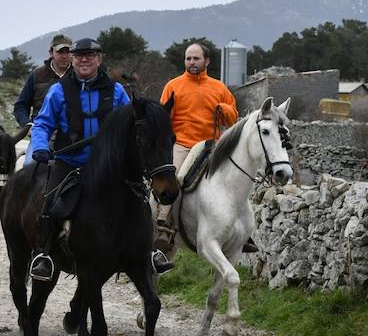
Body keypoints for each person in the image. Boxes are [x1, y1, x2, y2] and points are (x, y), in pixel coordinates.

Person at [27, 37, 168, 281]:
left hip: (107, 168)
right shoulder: (58, 90)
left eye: (90, 55)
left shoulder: (116, 91)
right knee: (50, 202)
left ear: (99, 59)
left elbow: (132, 122)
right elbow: (43, 123)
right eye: (79, 55)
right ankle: (44, 254)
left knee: (140, 200)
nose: (84, 59)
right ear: (71, 59)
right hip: (69, 162)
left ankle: (148, 250)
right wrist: (39, 145)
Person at [154, 42, 255, 254]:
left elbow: (232, 118)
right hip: (182, 143)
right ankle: (163, 221)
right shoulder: (173, 85)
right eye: (188, 59)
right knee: (176, 179)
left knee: (233, 180)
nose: (191, 63)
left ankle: (242, 232)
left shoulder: (219, 87)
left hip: (211, 145)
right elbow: (162, 118)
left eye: (196, 59)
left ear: (206, 61)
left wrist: (224, 108)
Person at [13, 34, 72, 166]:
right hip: (41, 135)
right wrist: (28, 125)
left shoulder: (78, 76)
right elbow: (20, 106)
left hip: (71, 137)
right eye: (60, 52)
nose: (64, 56)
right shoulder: (37, 75)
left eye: (68, 52)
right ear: (51, 52)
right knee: (29, 166)